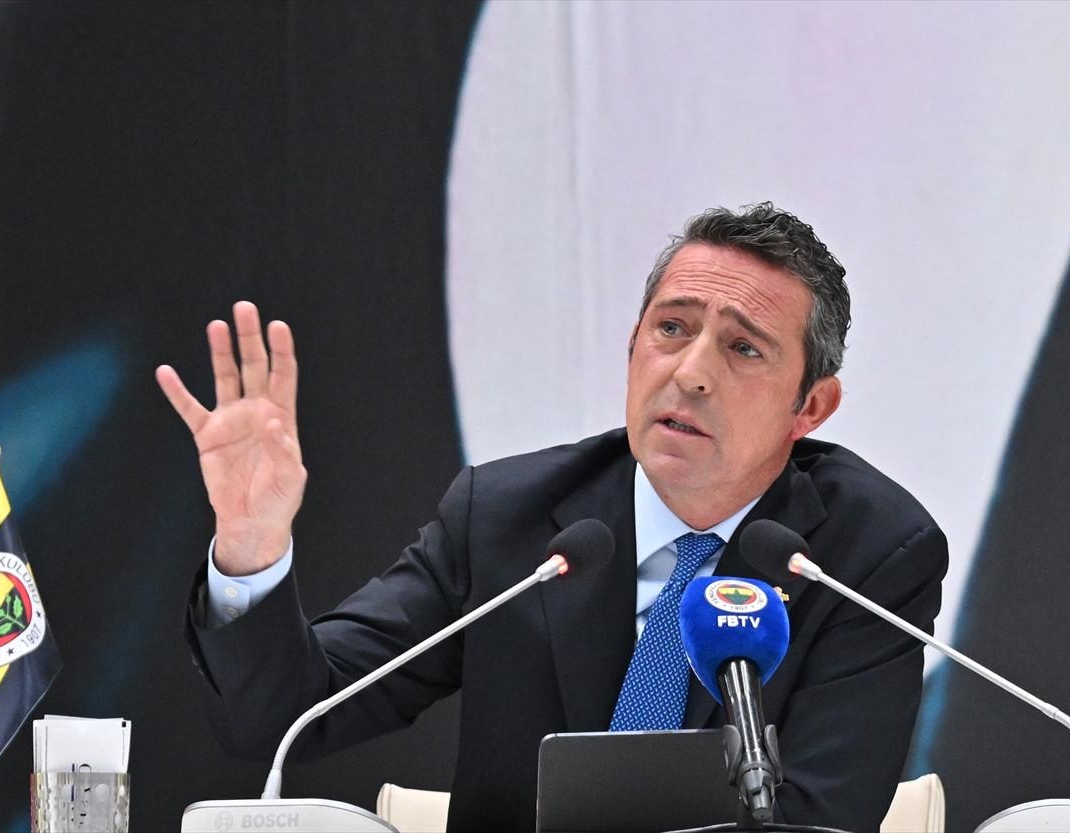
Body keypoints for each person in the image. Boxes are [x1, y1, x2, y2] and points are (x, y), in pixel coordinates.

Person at [156, 203, 948, 833]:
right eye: (671, 328)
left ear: (810, 407)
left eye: (744, 349)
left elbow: (821, 816)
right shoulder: (509, 518)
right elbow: (282, 716)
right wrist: (251, 545)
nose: (691, 372)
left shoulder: (865, 556)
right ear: (633, 345)